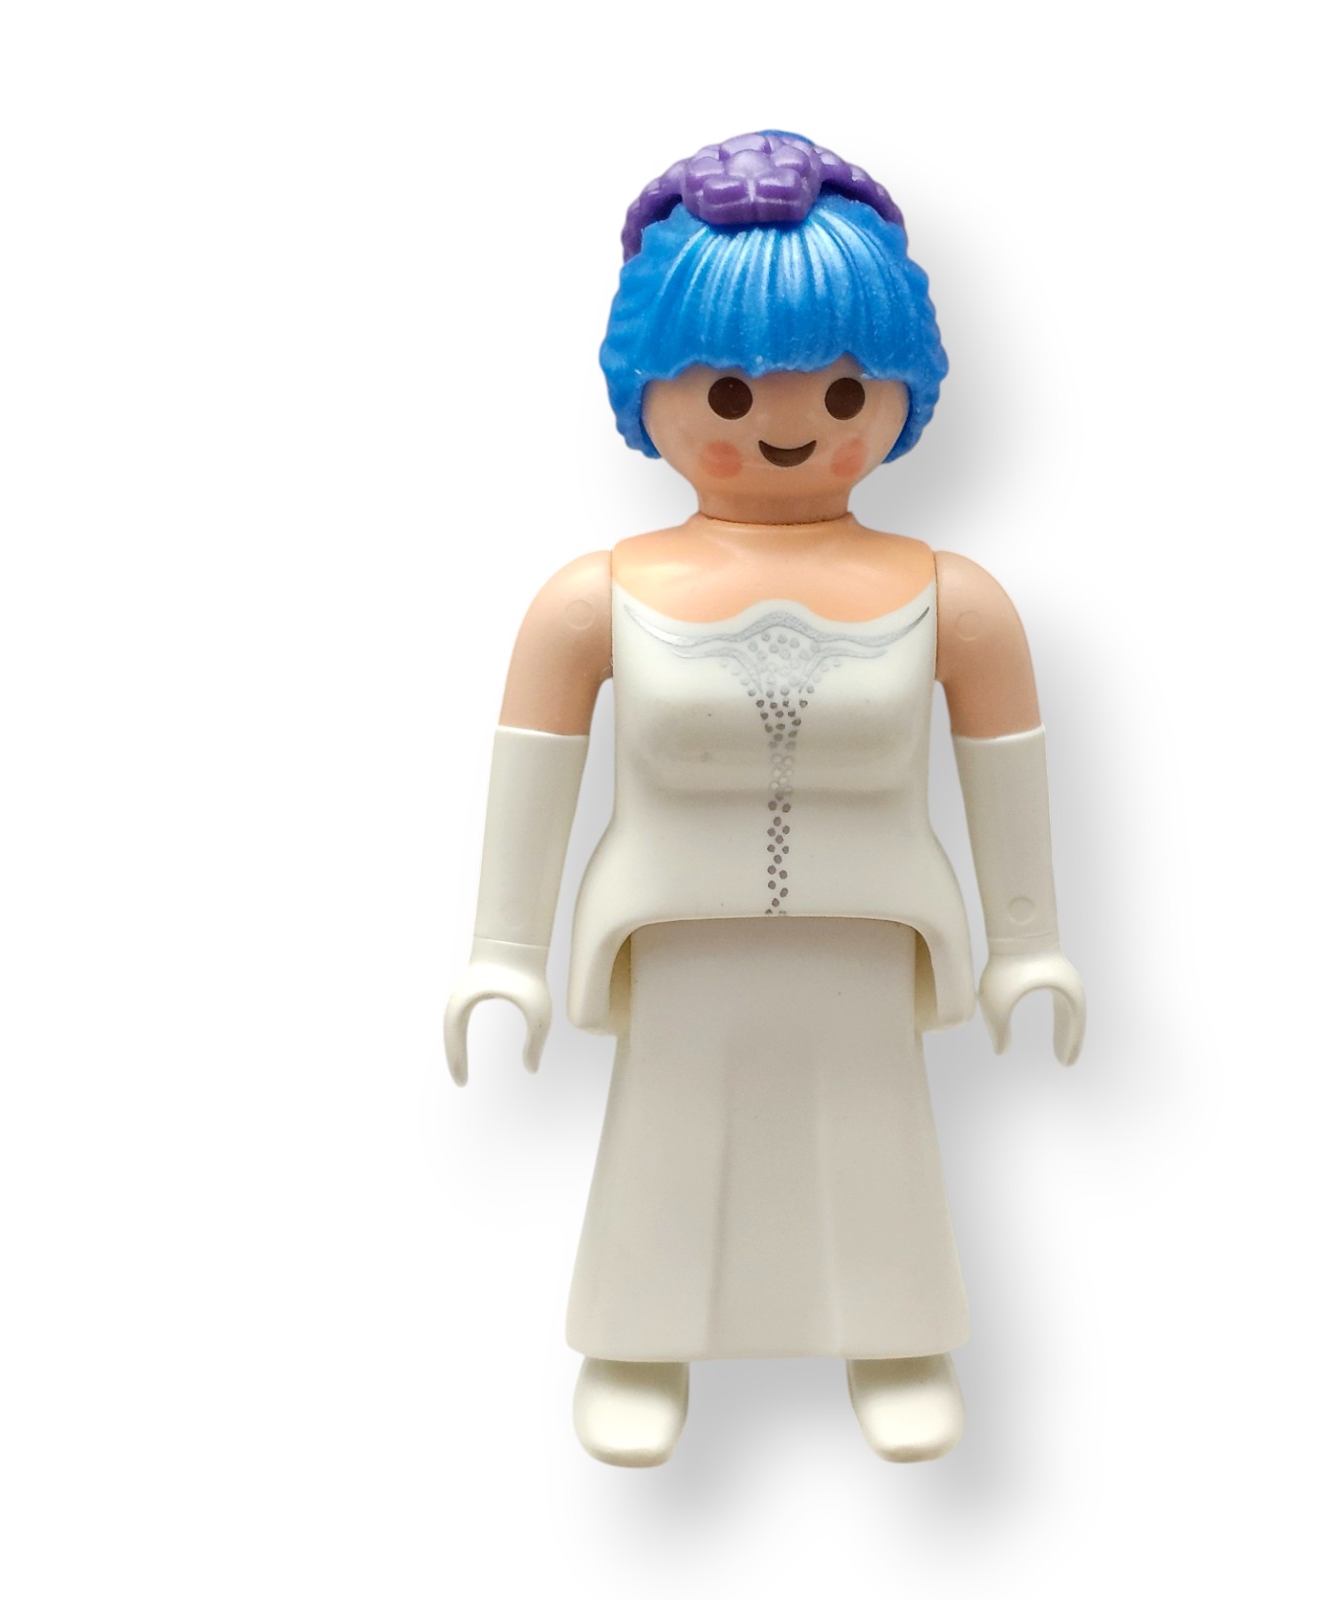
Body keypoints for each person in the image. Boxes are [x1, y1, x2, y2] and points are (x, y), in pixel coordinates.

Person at [443, 132, 1086, 1467]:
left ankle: (897, 1336)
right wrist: (502, 954)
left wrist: (1029, 944)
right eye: (730, 391)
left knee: (876, 1134)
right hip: (675, 932)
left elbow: (1007, 773)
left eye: (844, 388)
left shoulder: (953, 600)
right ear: (651, 390)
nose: (788, 423)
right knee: (668, 1131)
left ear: (903, 389)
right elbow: (533, 774)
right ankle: (638, 1339)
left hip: (870, 930)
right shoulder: (594, 599)